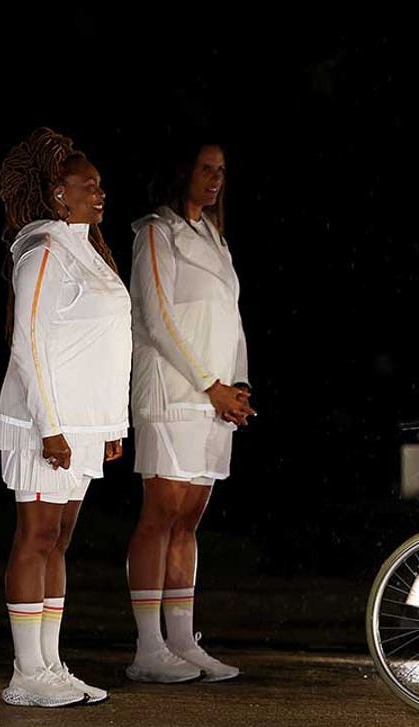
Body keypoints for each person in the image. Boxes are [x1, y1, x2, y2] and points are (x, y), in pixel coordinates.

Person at [0, 128, 131, 707]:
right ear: (57, 192)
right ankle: (26, 673)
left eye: (100, 185)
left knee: (62, 539)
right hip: (43, 423)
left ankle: (50, 663)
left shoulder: (85, 246)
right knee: (38, 534)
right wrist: (50, 425)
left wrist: (112, 425)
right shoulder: (42, 249)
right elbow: (27, 343)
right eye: (88, 185)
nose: (99, 193)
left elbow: (107, 342)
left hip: (83, 423)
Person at [125, 141, 254, 684]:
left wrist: (239, 384)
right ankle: (148, 648)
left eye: (221, 171)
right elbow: (156, 318)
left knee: (189, 520)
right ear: (181, 170)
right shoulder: (156, 232)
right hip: (173, 396)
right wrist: (210, 384)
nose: (215, 178)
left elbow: (232, 318)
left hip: (215, 403)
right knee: (161, 515)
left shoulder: (214, 238)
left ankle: (182, 638)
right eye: (205, 168)